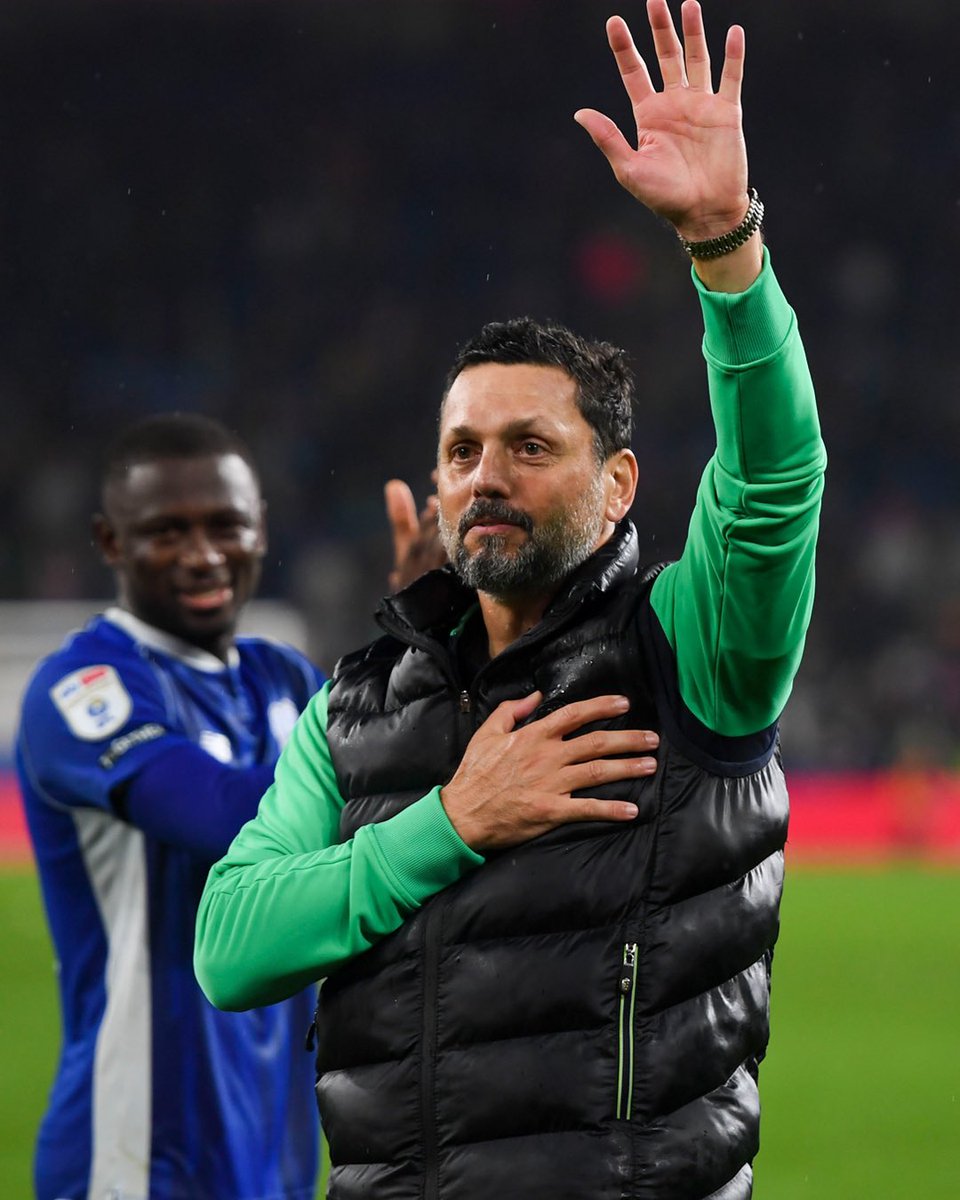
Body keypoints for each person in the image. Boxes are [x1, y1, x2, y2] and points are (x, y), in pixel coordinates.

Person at [195, 3, 826, 1198]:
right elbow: (231, 950)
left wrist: (724, 251)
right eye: (462, 449)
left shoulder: (688, 651)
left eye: (530, 445)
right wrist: (454, 820)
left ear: (618, 481)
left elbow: (776, 487)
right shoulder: (357, 706)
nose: (486, 472)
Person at [15, 413, 328, 1200]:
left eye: (227, 525)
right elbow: (225, 813)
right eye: (167, 531)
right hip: (135, 1157)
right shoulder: (84, 688)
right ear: (111, 542)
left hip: (279, 1149)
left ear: (261, 530)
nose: (203, 554)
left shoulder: (286, 680)